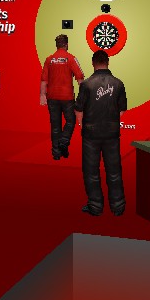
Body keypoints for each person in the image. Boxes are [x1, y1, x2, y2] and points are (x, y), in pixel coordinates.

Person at [75, 50, 127, 216]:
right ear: (108, 62)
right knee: (114, 170)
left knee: (91, 171)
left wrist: (83, 125)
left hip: (91, 133)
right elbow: (122, 110)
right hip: (111, 133)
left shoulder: (86, 84)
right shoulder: (118, 84)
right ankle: (118, 206)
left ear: (93, 63)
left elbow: (79, 109)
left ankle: (96, 206)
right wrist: (110, 121)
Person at [40, 34, 85, 160]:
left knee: (55, 126)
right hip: (67, 97)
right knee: (71, 121)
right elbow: (80, 79)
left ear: (56, 45)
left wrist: (42, 95)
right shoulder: (71, 58)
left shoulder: (49, 59)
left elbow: (43, 80)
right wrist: (83, 97)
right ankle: (64, 141)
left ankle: (56, 153)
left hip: (52, 97)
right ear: (67, 44)